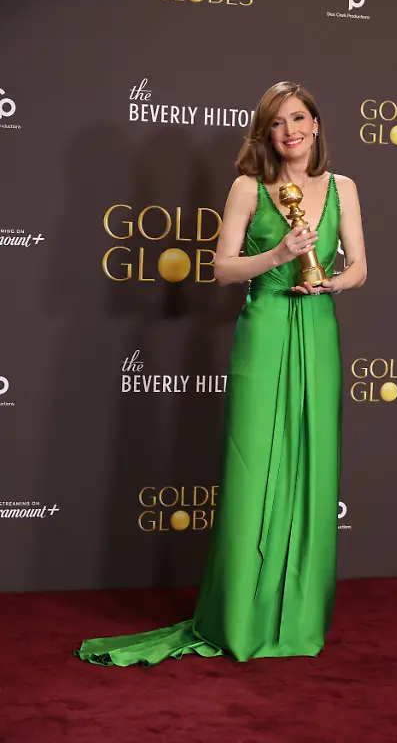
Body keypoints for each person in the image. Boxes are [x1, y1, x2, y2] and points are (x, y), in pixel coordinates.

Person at [75, 81, 367, 666]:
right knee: (253, 469)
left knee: (312, 467)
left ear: (316, 124)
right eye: (279, 121)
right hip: (263, 330)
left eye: (301, 118)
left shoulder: (343, 188)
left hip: (318, 329)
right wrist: (280, 256)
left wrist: (332, 281)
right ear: (265, 132)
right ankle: (239, 615)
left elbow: (360, 267)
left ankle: (299, 617)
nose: (292, 130)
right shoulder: (247, 189)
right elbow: (222, 269)